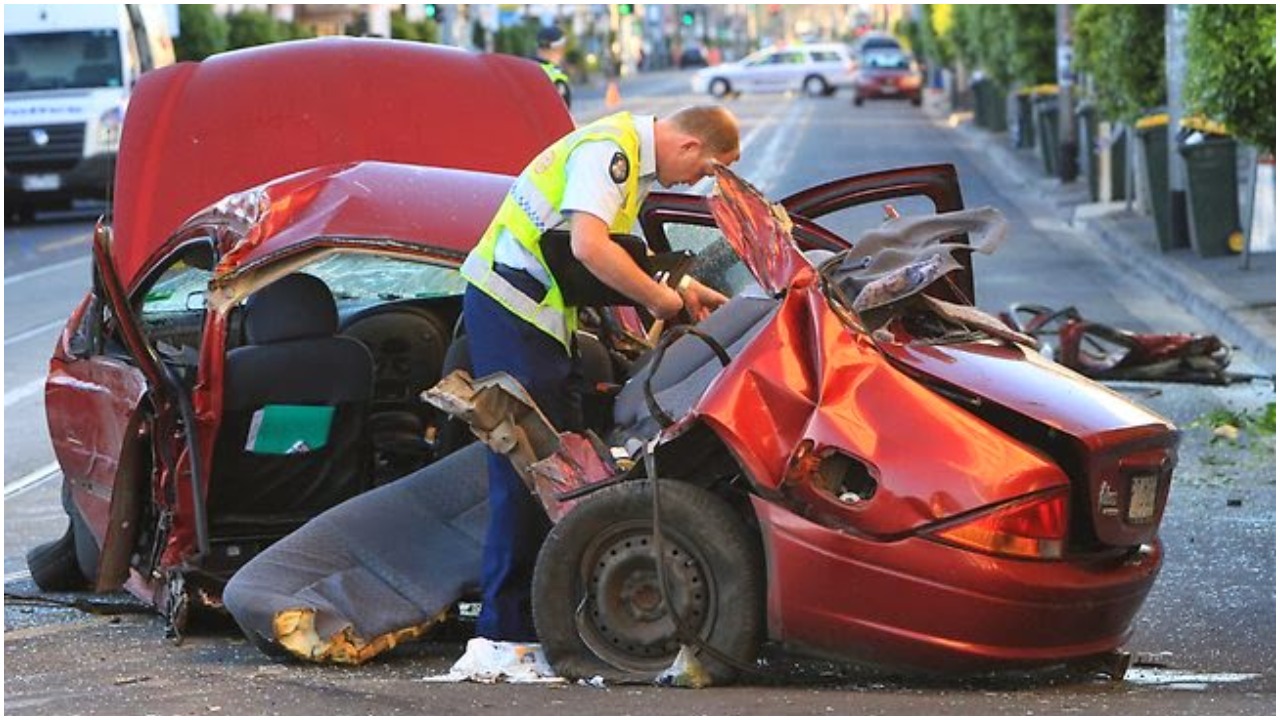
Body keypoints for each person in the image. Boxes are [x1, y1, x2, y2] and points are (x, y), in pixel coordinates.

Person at [458, 105, 741, 646]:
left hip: (531, 314)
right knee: (528, 472)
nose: (699, 182)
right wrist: (663, 300)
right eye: (706, 170)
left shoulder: (627, 159)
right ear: (688, 147)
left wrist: (683, 292)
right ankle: (503, 636)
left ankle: (542, 623)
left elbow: (608, 255)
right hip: (512, 309)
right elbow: (589, 248)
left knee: (556, 467)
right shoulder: (609, 154)